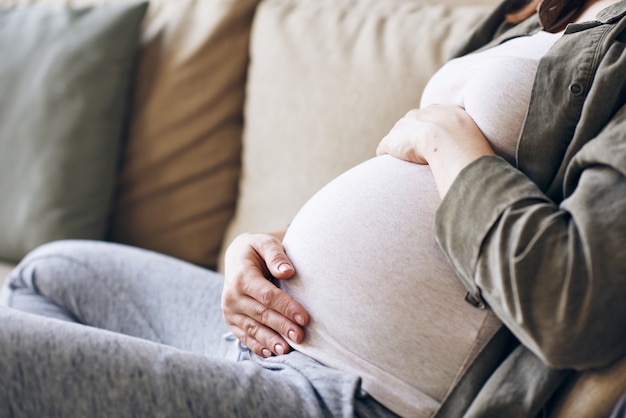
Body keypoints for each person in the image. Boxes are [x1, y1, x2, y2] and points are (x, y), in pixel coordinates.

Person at [1, 0, 625, 417]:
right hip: (271, 340)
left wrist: (445, 142)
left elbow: (574, 304)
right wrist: (266, 249)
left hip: (348, 393)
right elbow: (407, 192)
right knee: (53, 270)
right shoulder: (533, 16)